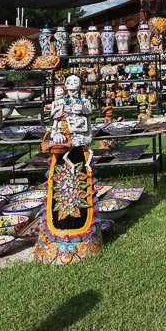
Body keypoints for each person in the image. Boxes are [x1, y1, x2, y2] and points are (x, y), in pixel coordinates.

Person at [36, 74, 102, 265]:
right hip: (62, 150)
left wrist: (86, 140)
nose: (72, 85)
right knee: (58, 189)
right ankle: (54, 242)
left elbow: (90, 131)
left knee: (82, 190)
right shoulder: (60, 104)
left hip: (79, 151)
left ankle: (86, 241)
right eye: (69, 82)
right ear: (64, 85)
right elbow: (54, 126)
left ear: (81, 85)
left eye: (75, 82)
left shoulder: (86, 103)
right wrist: (56, 134)